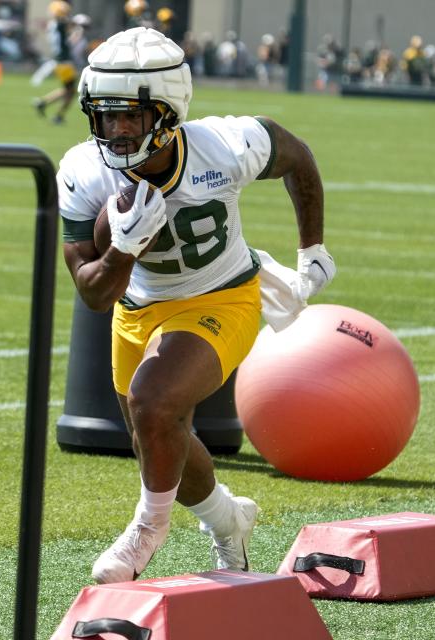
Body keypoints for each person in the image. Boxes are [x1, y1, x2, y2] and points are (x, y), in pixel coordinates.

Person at [56, 27, 335, 584]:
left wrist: (313, 249)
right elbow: (92, 293)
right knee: (159, 436)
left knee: (154, 404)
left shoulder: (226, 144)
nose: (116, 129)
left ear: (168, 111)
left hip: (223, 295)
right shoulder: (83, 169)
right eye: (106, 115)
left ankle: (145, 531)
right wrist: (124, 250)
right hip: (136, 307)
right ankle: (228, 519)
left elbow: (299, 158)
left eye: (131, 115)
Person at [32, 0, 76, 125]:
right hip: (64, 62)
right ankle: (57, 115)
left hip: (60, 61)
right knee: (71, 91)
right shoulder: (60, 24)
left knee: (69, 90)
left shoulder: (54, 24)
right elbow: (70, 24)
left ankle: (43, 103)